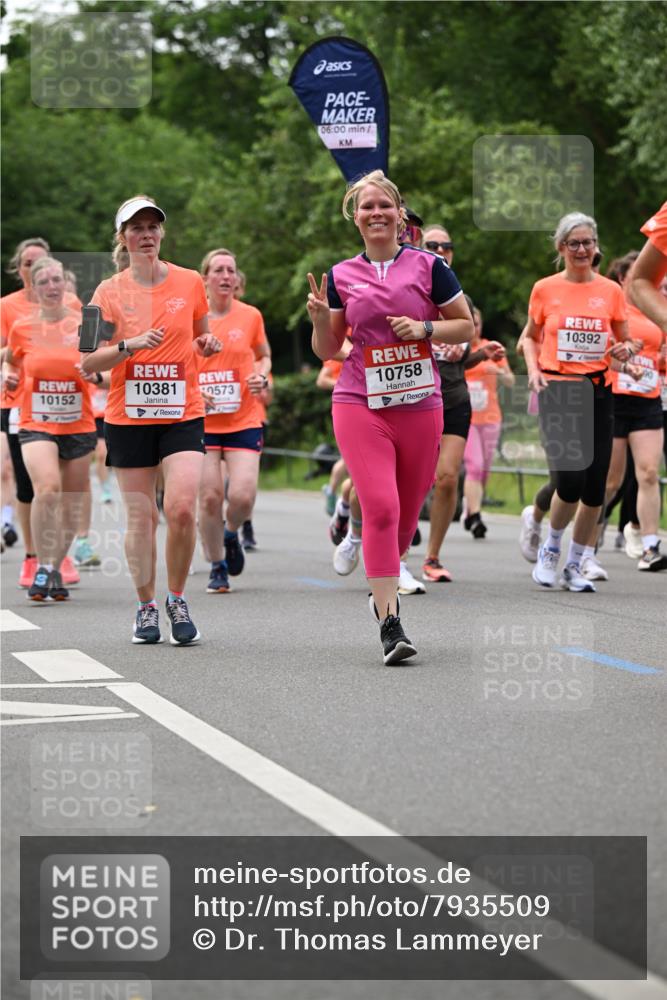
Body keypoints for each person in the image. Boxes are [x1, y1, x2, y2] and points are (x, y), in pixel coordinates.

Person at [307, 169, 473, 665]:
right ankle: (389, 621)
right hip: (360, 401)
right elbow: (328, 349)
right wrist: (320, 318)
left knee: (405, 512)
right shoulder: (341, 275)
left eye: (385, 206)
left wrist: (424, 326)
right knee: (379, 506)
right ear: (354, 217)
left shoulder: (428, 267)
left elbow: (463, 324)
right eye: (366, 207)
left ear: (400, 215)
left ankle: (383, 573)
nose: (376, 213)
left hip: (420, 403)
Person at [80, 195, 221, 644]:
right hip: (129, 416)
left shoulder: (191, 281)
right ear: (122, 238)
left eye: (152, 227)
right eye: (136, 228)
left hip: (183, 411)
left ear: (162, 234)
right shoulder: (105, 291)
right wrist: (130, 344)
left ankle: (176, 598)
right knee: (143, 519)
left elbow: (201, 335)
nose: (146, 235)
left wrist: (207, 346)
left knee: (181, 508)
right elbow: (85, 361)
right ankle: (145, 608)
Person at [522, 212, 630, 592]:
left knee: (595, 486)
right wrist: (533, 370)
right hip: (558, 389)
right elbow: (531, 337)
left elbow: (625, 341)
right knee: (569, 480)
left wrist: (625, 350)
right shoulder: (545, 289)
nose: (582, 249)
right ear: (561, 248)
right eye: (574, 243)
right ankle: (551, 549)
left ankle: (575, 562)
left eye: (587, 243)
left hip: (600, 390)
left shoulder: (612, 292)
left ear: (595, 245)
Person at [3, 257, 95, 600]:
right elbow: (11, 362)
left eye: (57, 279)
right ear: (34, 288)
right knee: (48, 488)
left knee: (70, 504)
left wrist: (96, 375)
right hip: (36, 421)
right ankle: (41, 566)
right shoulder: (22, 327)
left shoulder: (86, 324)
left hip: (79, 422)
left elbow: (108, 367)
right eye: (44, 282)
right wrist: (8, 377)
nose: (52, 287)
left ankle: (55, 566)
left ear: (65, 284)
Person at [196, 247, 271, 593]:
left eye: (231, 270)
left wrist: (262, 376)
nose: (226, 276)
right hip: (202, 421)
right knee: (210, 497)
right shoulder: (192, 319)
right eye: (219, 270)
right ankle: (217, 565)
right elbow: (178, 364)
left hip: (243, 417)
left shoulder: (251, 315)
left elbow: (264, 355)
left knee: (243, 495)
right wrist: (194, 390)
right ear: (205, 279)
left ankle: (230, 534)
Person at [461, 305, 514, 539]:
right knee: (474, 465)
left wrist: (498, 372)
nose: (475, 328)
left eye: (478, 323)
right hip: (467, 418)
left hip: (491, 417)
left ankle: (469, 506)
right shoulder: (458, 350)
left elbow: (512, 381)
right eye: (471, 323)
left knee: (484, 471)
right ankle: (475, 516)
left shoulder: (491, 348)